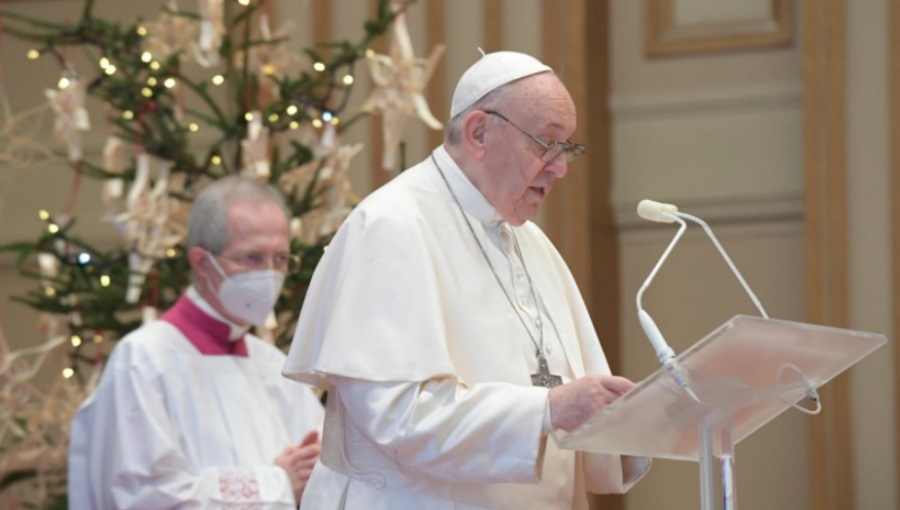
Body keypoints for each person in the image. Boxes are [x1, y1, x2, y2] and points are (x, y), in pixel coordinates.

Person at [282, 50, 650, 509]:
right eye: (547, 143)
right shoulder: (391, 226)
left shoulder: (532, 244)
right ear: (479, 132)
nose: (560, 167)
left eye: (567, 147)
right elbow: (398, 417)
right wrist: (548, 410)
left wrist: (632, 417)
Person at [68, 176, 324, 509]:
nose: (270, 274)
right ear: (202, 262)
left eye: (281, 259)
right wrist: (276, 483)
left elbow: (324, 461)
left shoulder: (273, 365)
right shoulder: (143, 360)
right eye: (253, 258)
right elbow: (142, 496)